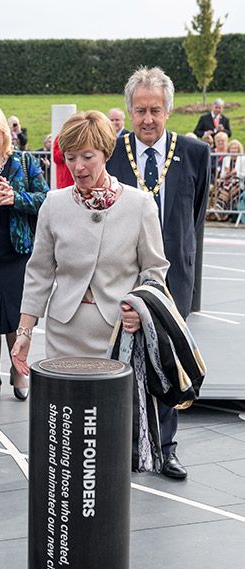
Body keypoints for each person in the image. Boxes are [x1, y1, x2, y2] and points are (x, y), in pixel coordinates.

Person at [11, 110, 169, 468]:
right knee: (66, 429)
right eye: (70, 158)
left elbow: (155, 271)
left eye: (87, 157)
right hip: (65, 330)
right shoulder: (54, 204)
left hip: (118, 335)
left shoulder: (139, 205)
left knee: (107, 433)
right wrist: (24, 331)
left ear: (105, 153)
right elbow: (38, 272)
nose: (78, 167)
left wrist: (140, 308)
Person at [106, 66, 210, 480]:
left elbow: (195, 213)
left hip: (173, 281)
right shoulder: (114, 153)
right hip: (122, 277)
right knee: (120, 361)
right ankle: (122, 444)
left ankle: (166, 447)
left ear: (168, 110)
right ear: (130, 111)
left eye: (155, 110)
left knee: (165, 360)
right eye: (140, 110)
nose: (148, 119)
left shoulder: (195, 153)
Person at [0, 102, 48, 404]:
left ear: (5, 131)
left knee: (18, 319)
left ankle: (19, 372)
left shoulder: (25, 163)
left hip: (18, 254)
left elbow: (45, 200)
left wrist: (16, 197)